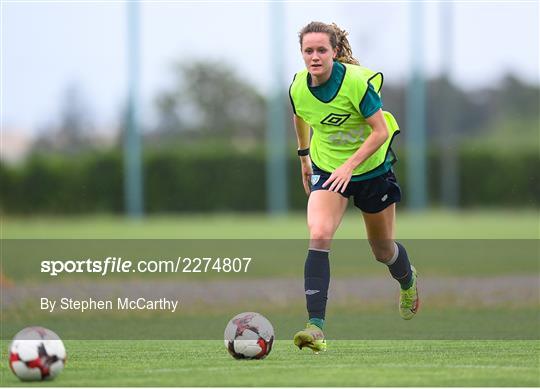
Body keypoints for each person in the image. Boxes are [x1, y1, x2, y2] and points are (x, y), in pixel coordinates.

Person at [289, 21, 419, 353]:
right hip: (328, 168)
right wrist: (304, 156)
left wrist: (351, 165)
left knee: (382, 251)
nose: (314, 57)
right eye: (308, 51)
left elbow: (378, 132)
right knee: (318, 234)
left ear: (334, 52)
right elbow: (300, 114)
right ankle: (315, 327)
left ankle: (407, 280)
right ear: (302, 53)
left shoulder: (356, 84)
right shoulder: (298, 87)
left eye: (321, 50)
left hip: (371, 169)